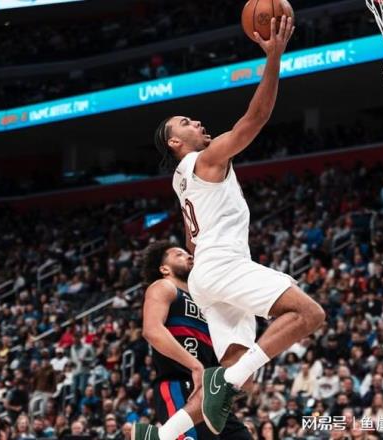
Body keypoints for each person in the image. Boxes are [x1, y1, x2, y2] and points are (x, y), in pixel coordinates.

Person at [134, 14, 325, 440]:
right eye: (187, 123)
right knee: (308, 313)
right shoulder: (203, 161)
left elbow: (191, 240)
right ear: (175, 142)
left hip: (207, 275)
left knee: (238, 374)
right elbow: (253, 120)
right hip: (222, 265)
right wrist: (274, 58)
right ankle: (219, 384)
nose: (198, 123)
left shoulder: (181, 180)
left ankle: (160, 436)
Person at [137, 241, 251, 440]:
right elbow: (152, 330)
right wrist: (195, 366)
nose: (189, 256)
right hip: (179, 383)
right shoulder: (164, 286)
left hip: (210, 392)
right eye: (179, 254)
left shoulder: (205, 302)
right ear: (164, 269)